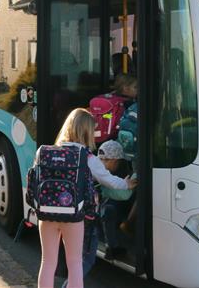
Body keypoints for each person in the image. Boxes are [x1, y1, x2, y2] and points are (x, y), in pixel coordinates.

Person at [48, 110, 138, 288]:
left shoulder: (50, 151)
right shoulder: (87, 157)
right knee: (83, 258)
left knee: (48, 261)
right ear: (87, 132)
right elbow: (108, 180)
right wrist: (127, 184)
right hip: (79, 217)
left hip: (50, 214)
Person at [95, 140, 135, 260]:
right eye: (100, 160)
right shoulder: (98, 173)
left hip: (120, 208)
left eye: (106, 160)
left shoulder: (127, 173)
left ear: (118, 161)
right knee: (108, 209)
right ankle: (111, 247)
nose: (102, 164)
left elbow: (123, 195)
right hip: (103, 210)